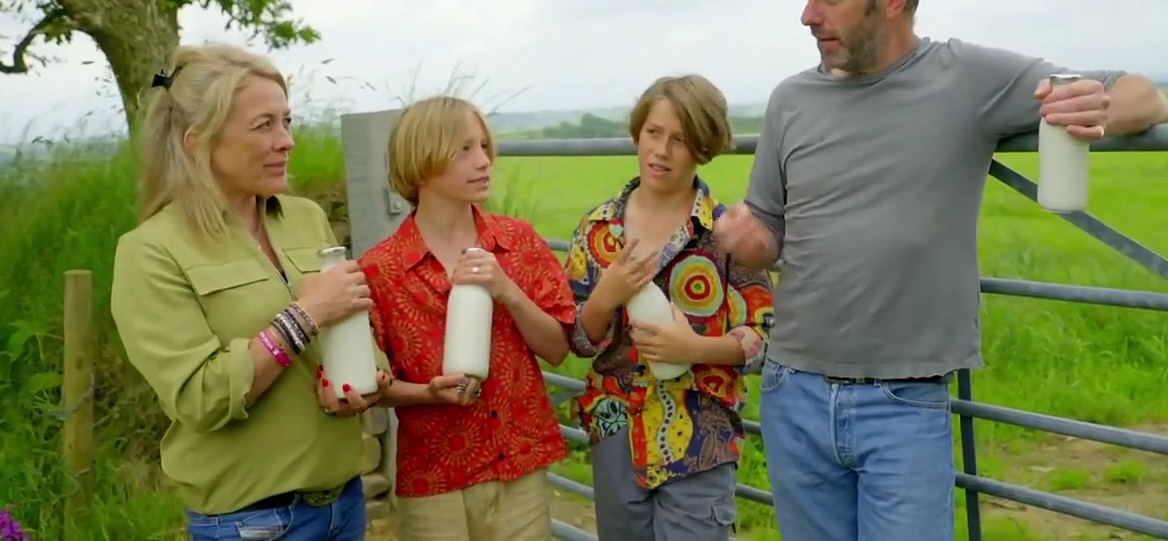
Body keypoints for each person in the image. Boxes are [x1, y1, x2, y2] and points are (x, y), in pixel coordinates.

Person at [714, 0, 1168, 541]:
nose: (808, 16)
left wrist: (1094, 108)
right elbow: (767, 226)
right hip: (793, 390)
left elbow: (1147, 97)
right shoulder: (790, 100)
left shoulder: (966, 78)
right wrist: (749, 241)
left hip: (903, 404)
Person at [111, 43, 392, 541]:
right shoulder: (151, 251)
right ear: (199, 142)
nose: (287, 141)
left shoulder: (305, 217)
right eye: (264, 126)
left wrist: (364, 380)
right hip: (253, 523)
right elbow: (202, 399)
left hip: (344, 504)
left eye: (287, 121)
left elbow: (350, 324)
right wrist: (306, 314)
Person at [565, 75, 776, 541]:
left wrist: (694, 348)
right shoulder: (597, 229)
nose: (661, 151)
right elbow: (574, 337)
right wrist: (605, 297)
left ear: (703, 146)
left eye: (679, 139)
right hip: (616, 428)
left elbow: (763, 333)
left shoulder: (726, 233)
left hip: (701, 436)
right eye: (653, 132)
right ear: (637, 133)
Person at [358, 95, 576, 541]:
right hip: (434, 477)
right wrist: (427, 393)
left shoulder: (519, 242)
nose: (484, 161)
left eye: (483, 146)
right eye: (464, 150)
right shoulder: (381, 269)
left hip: (520, 469)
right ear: (421, 163)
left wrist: (508, 291)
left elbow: (557, 349)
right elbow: (369, 386)